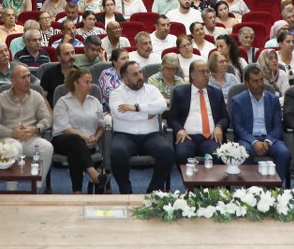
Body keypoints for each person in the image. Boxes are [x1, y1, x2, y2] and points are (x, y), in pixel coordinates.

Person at [106, 59, 174, 193]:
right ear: (125, 79)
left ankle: (154, 190)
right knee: (117, 153)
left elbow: (161, 106)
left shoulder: (152, 89)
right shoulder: (116, 93)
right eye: (135, 74)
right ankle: (125, 190)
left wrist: (136, 108)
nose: (140, 76)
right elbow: (120, 115)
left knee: (167, 152)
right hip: (124, 136)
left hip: (151, 135)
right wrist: (148, 114)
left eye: (140, 73)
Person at [0, 63, 54, 188]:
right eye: (23, 77)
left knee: (47, 147)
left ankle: (37, 187)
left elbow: (48, 118)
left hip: (31, 138)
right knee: (14, 147)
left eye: (29, 76)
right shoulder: (2, 98)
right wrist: (11, 133)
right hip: (7, 138)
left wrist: (35, 128)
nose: (28, 80)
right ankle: (12, 191)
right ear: (12, 80)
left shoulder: (36, 96)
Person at [229, 65, 291, 184]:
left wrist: (267, 141)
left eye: (261, 80)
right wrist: (254, 142)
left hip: (270, 138)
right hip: (248, 139)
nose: (260, 84)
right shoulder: (238, 101)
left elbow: (278, 126)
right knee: (245, 153)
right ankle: (250, 189)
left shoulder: (273, 100)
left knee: (284, 153)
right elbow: (238, 128)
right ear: (247, 84)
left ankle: (275, 188)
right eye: (255, 81)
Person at [52, 68, 107, 193]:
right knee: (77, 141)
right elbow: (64, 128)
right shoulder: (63, 102)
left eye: (90, 82)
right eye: (86, 82)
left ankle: (77, 192)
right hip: (63, 140)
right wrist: (84, 137)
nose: (90, 86)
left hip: (88, 144)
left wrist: (96, 138)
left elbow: (101, 125)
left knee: (75, 154)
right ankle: (93, 173)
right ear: (76, 83)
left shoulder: (95, 102)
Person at [168, 59, 229, 164]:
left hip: (210, 137)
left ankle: (210, 180)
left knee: (217, 155)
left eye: (207, 71)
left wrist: (219, 127)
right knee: (182, 154)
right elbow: (172, 118)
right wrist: (180, 129)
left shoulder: (216, 93)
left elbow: (225, 117)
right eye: (202, 72)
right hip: (187, 137)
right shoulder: (180, 93)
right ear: (192, 75)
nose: (206, 75)